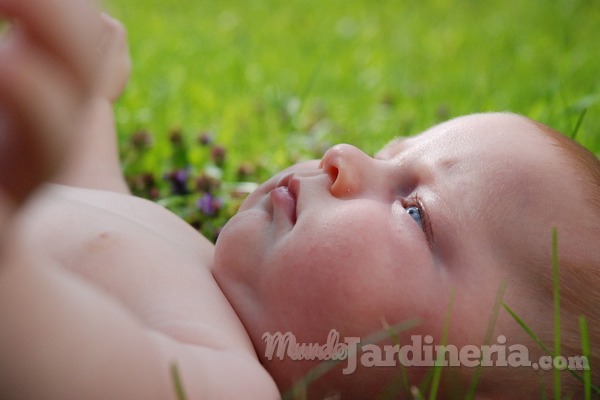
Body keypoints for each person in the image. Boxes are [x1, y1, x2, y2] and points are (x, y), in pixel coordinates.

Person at [0, 0, 598, 399]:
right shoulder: (188, 264)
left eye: (415, 212)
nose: (343, 156)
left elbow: (38, 343)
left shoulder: (225, 383)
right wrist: (89, 97)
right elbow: (98, 189)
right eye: (386, 152)